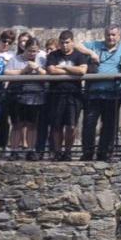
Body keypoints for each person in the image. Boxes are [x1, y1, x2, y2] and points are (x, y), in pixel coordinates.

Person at [79, 26, 121, 161]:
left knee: (109, 125)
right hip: (93, 93)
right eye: (108, 35)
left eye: (113, 35)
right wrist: (91, 53)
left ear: (118, 36)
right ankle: (87, 152)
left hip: (113, 94)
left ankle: (104, 153)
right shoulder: (95, 45)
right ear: (104, 35)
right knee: (89, 124)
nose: (110, 38)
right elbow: (76, 44)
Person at [45, 30, 91, 159]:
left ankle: (68, 152)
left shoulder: (79, 55)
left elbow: (82, 70)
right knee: (57, 125)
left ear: (72, 42)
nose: (64, 45)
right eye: (62, 42)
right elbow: (51, 70)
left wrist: (63, 67)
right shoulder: (53, 55)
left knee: (71, 125)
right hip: (56, 94)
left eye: (67, 42)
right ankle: (58, 152)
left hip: (74, 95)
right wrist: (72, 71)